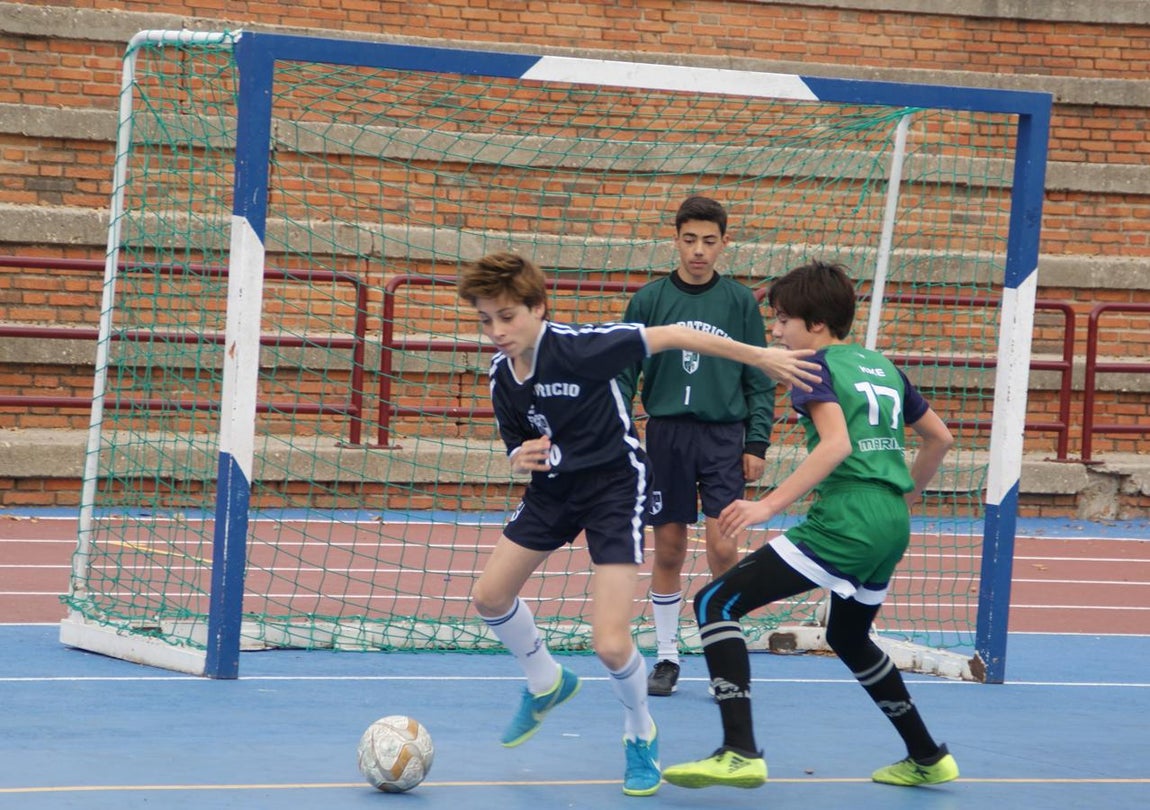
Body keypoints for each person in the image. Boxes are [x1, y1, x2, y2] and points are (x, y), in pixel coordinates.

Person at [456, 251, 821, 797]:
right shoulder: (502, 377)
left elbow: (675, 334)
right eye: (486, 320)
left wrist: (758, 356)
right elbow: (519, 444)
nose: (497, 331)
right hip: (553, 492)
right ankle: (545, 681)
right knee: (488, 596)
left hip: (613, 490)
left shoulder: (582, 348)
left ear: (538, 308)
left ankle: (639, 732)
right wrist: (520, 457)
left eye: (507, 316)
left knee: (609, 643)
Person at [661, 260, 959, 791]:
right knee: (849, 635)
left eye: (782, 320)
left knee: (714, 603)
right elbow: (939, 438)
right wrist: (902, 497)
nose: (775, 332)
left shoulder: (813, 368)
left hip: (846, 518)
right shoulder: (883, 366)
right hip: (889, 519)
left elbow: (839, 444)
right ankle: (927, 754)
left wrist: (766, 505)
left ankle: (739, 750)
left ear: (815, 325)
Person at [617, 196, 775, 697]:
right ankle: (666, 657)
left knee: (724, 546)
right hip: (667, 435)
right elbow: (623, 372)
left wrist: (757, 440)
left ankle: (722, 656)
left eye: (709, 241)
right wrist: (619, 432)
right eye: (690, 240)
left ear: (724, 243)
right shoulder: (649, 300)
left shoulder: (739, 302)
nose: (699, 251)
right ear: (676, 239)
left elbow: (760, 372)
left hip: (724, 437)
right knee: (667, 548)